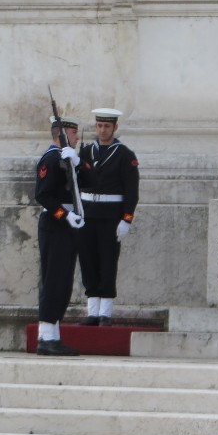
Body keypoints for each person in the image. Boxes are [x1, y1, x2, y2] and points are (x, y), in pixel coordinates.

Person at [34, 115, 93, 356]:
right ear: (61, 135)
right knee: (54, 280)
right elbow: (43, 195)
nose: (77, 137)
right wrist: (65, 215)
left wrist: (78, 163)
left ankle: (53, 335)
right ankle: (46, 337)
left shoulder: (69, 159)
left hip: (70, 225)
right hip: (55, 224)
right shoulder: (50, 158)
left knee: (64, 282)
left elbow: (92, 181)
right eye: (73, 133)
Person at [76, 108, 140, 326]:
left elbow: (132, 191)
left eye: (107, 126)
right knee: (88, 261)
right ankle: (92, 311)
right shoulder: (85, 153)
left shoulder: (125, 155)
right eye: (99, 126)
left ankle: (105, 312)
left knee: (107, 262)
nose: (103, 130)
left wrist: (127, 219)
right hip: (87, 215)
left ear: (115, 128)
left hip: (110, 217)